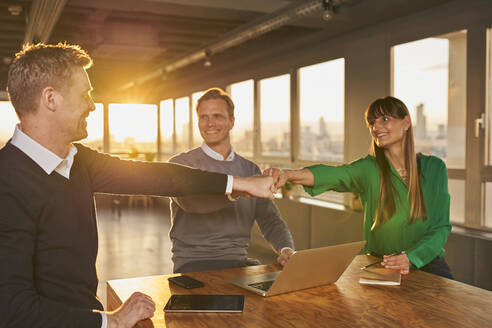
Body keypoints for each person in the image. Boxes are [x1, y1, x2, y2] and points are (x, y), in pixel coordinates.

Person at [0, 43, 275, 328]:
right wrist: (112, 321)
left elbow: (164, 177)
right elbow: (12, 309)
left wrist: (242, 183)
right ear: (50, 99)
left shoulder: (78, 160)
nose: (92, 104)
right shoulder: (6, 182)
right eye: (85, 94)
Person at [265, 96, 453, 279]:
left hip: (428, 264)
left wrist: (411, 258)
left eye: (384, 119)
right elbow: (333, 174)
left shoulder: (435, 168)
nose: (376, 127)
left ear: (406, 122)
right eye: (372, 122)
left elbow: (441, 227)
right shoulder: (369, 168)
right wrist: (287, 175)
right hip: (381, 265)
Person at [169, 88, 295, 273]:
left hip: (238, 262)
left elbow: (270, 219)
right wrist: (242, 187)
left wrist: (286, 249)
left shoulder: (250, 170)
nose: (209, 123)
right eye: (203, 117)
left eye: (217, 116)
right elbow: (193, 203)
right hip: (194, 264)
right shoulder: (180, 164)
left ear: (232, 122)